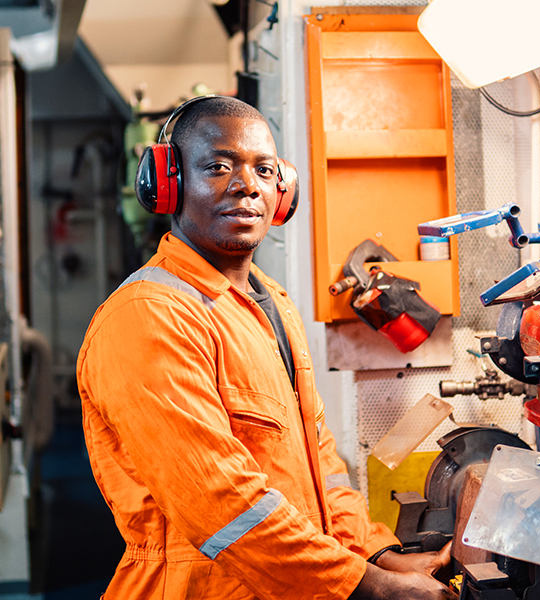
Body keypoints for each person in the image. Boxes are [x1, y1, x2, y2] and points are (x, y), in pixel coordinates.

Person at [77, 96, 457, 600]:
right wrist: (372, 588)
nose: (246, 185)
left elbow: (319, 464)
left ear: (283, 190)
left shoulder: (270, 303)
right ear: (169, 183)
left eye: (264, 169)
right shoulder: (149, 316)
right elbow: (219, 503)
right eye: (217, 166)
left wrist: (377, 557)